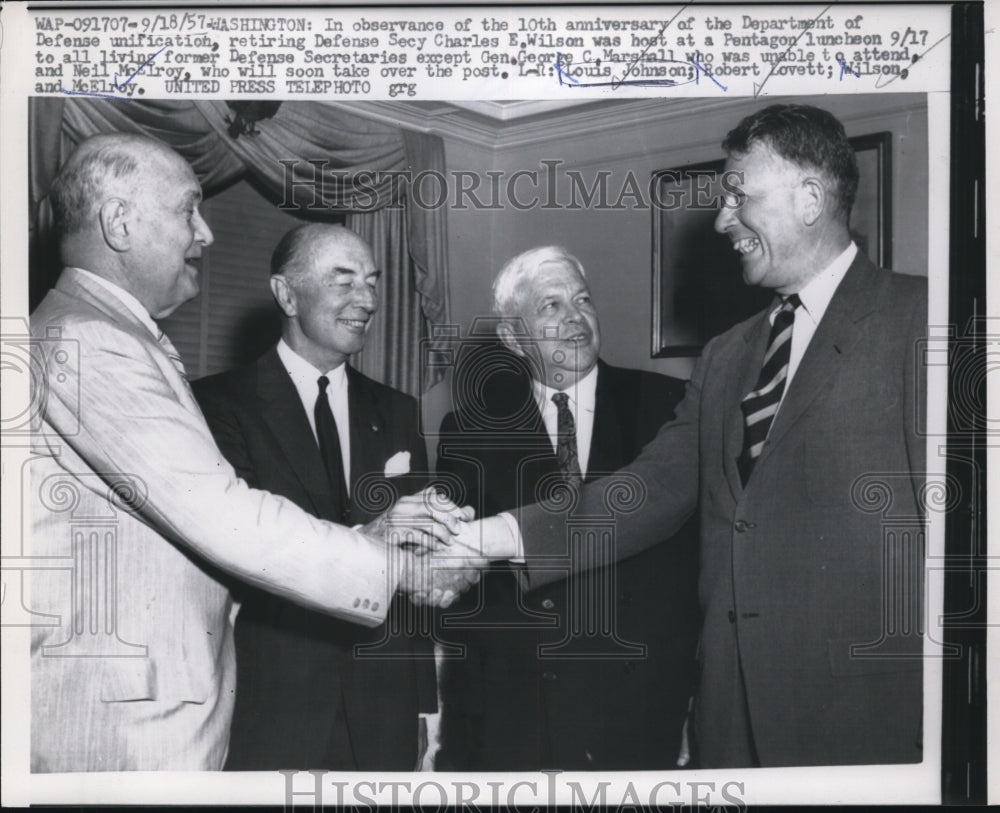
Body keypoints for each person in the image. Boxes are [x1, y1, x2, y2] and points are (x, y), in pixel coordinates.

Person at [454, 104, 927, 768]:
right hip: (728, 725)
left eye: (738, 195)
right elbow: (646, 492)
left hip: (867, 724)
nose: (721, 220)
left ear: (810, 199)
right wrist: (482, 536)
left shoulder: (927, 321)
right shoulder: (728, 354)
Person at [27, 134, 468, 772]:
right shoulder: (91, 341)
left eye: (372, 281)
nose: (205, 233)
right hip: (131, 725)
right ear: (119, 222)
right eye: (188, 209)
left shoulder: (100, 336)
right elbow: (225, 517)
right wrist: (394, 565)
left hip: (175, 708)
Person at [434, 247, 699, 770]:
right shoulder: (468, 431)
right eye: (551, 306)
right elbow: (464, 597)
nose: (576, 318)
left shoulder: (672, 407)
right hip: (518, 714)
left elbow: (698, 565)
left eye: (583, 300)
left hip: (643, 707)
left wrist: (697, 700)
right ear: (513, 337)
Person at [193, 223, 438, 770]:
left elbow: (414, 570)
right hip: (272, 702)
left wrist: (422, 704)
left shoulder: (398, 412)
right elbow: (237, 559)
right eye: (343, 281)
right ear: (286, 294)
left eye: (372, 282)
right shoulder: (218, 405)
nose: (367, 300)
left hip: (384, 707)